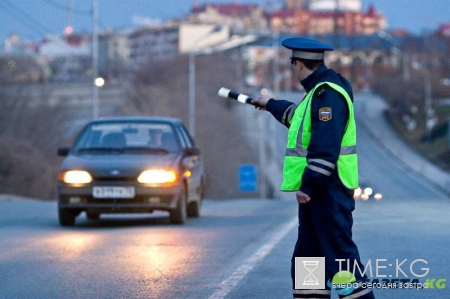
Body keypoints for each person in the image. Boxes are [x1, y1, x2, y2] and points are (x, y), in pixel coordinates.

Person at [251, 37, 375, 299]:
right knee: (309, 260)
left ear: (297, 64)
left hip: (327, 190)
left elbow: (325, 146)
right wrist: (270, 103)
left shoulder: (327, 94)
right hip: (321, 192)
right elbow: (299, 119)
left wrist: (308, 185)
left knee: (341, 263)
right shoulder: (319, 92)